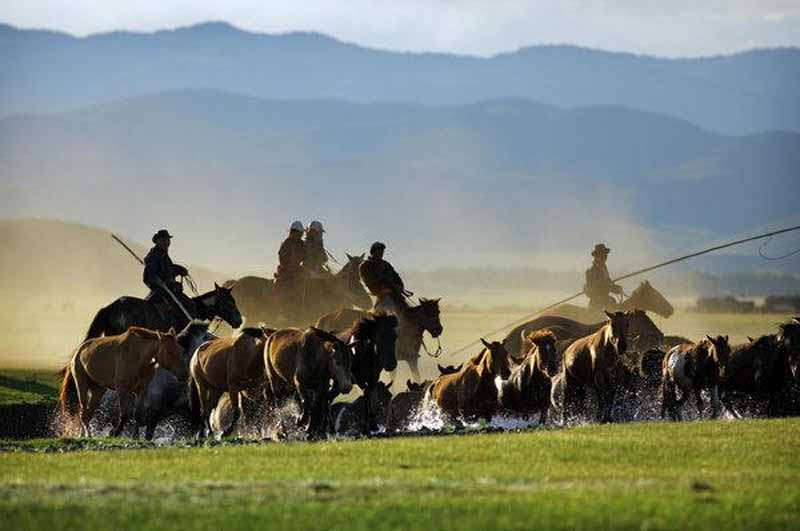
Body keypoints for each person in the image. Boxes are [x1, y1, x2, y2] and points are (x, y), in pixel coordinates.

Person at [143, 229, 194, 320]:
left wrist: (179, 270)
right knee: (185, 305)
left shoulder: (163, 256)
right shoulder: (153, 256)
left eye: (168, 240)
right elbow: (149, 275)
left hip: (168, 288)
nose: (167, 242)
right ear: (158, 241)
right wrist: (161, 283)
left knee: (187, 303)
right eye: (164, 240)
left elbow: (168, 270)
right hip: (162, 289)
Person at [359, 241, 407, 313]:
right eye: (379, 251)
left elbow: (397, 278)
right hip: (382, 296)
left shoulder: (386, 264)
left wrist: (399, 287)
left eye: (382, 251)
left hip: (395, 295)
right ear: (373, 252)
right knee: (391, 311)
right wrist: (382, 290)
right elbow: (369, 282)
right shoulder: (365, 266)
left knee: (407, 311)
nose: (381, 253)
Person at [275, 220, 307, 320]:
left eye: (301, 233)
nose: (300, 235)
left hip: (297, 271)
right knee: (283, 289)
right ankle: (281, 313)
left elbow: (305, 256)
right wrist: (291, 267)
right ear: (293, 232)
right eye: (299, 233)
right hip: (285, 271)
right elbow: (282, 258)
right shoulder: (287, 243)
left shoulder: (301, 243)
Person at [584, 243, 623, 312]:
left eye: (605, 255)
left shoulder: (604, 268)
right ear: (597, 256)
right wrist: (612, 288)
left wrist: (616, 287)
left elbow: (608, 282)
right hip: (597, 304)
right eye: (602, 255)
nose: (605, 257)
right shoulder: (591, 271)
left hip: (605, 301)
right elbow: (596, 287)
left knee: (615, 303)